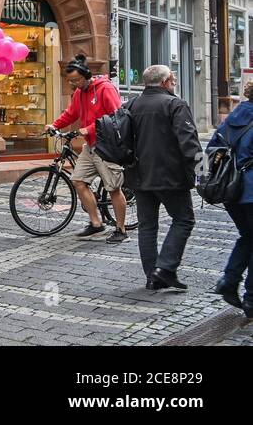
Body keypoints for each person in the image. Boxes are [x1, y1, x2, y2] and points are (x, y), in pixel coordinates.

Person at [127, 64, 201, 291]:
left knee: (147, 226)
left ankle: (153, 277)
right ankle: (165, 268)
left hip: (139, 176)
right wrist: (203, 171)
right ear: (165, 82)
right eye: (173, 78)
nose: (175, 81)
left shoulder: (131, 105)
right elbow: (189, 143)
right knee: (184, 219)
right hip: (170, 176)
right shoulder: (174, 104)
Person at [48, 54, 129, 242]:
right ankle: (96, 224)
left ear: (86, 75)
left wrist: (89, 128)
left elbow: (116, 116)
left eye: (76, 80)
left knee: (113, 188)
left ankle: (121, 230)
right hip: (91, 146)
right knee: (78, 181)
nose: (74, 84)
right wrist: (55, 125)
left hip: (107, 146)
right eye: (70, 81)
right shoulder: (79, 92)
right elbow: (71, 113)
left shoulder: (105, 89)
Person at [210, 82, 253, 315]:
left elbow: (210, 153)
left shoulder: (233, 117)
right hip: (251, 190)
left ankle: (229, 280)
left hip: (230, 191)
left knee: (248, 236)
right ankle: (251, 298)